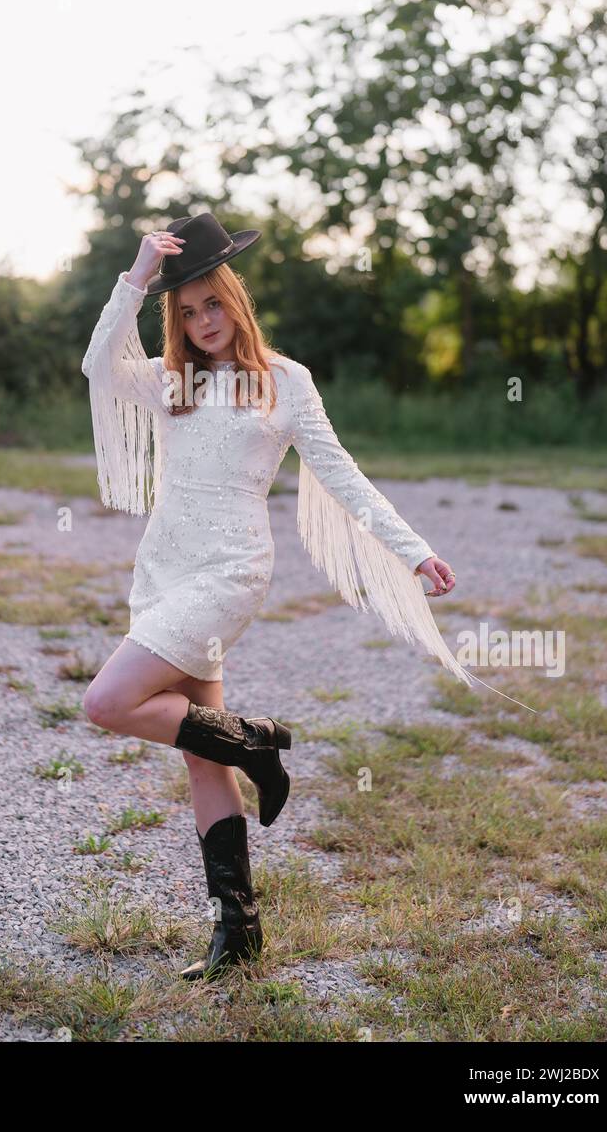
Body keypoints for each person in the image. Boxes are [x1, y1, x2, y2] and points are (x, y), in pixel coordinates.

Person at [79, 211, 462, 981]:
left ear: (236, 301)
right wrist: (137, 274)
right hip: (163, 572)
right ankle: (239, 932)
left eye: (212, 304)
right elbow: (96, 365)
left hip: (230, 573)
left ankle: (255, 740)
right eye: (187, 312)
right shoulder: (173, 380)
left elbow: (343, 474)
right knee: (200, 757)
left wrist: (414, 551)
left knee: (106, 701)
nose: (203, 321)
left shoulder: (285, 384)